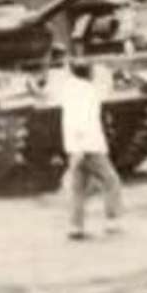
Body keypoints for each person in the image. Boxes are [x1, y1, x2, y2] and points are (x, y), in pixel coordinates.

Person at [53, 56, 123, 240]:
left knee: (78, 188)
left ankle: (75, 226)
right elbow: (85, 119)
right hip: (90, 145)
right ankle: (112, 221)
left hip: (75, 145)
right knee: (111, 181)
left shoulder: (67, 89)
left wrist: (75, 149)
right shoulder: (90, 91)